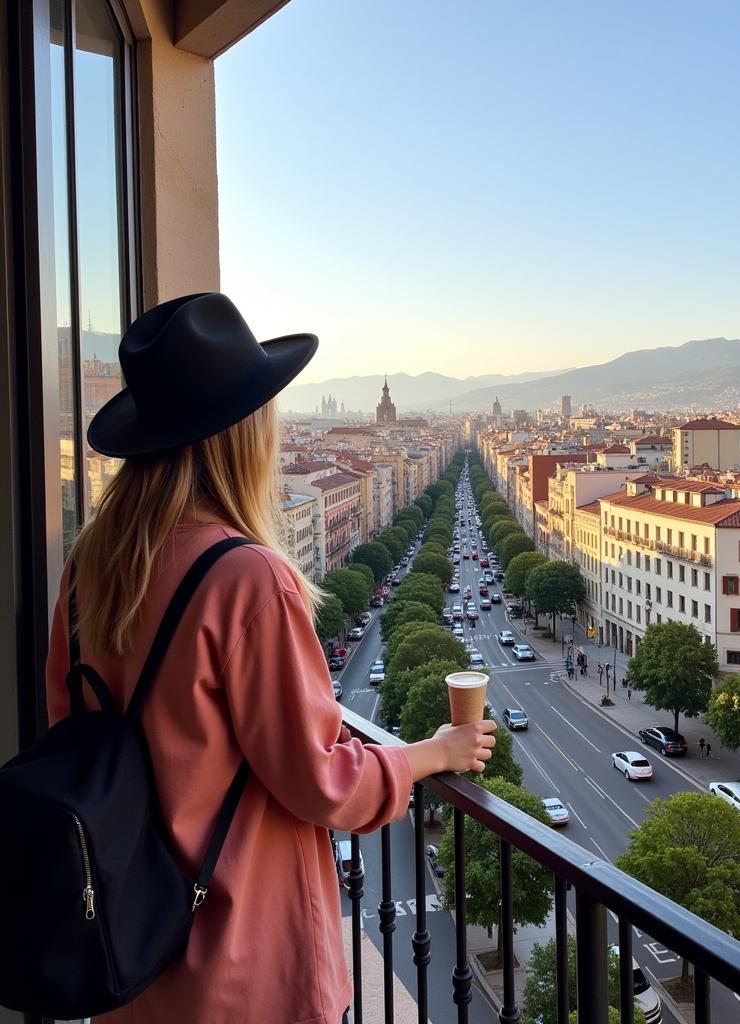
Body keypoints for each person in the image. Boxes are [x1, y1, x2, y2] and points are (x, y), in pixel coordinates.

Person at [44, 294, 496, 1024]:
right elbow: (320, 781)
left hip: (126, 956)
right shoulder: (246, 578)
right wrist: (431, 754)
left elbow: (71, 727)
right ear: (241, 435)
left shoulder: (87, 568)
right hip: (237, 962)